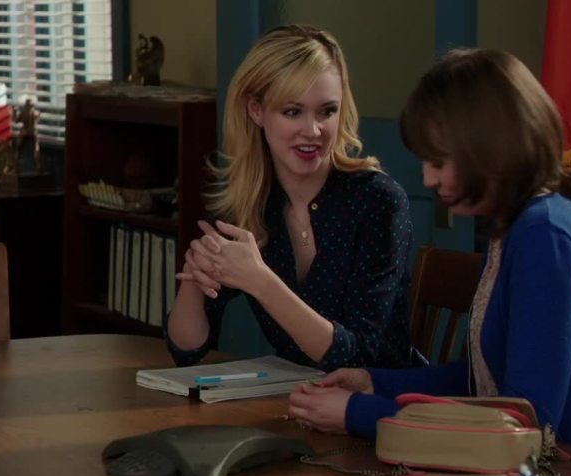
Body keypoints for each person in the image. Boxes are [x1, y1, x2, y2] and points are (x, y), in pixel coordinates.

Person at [287, 48, 571, 466]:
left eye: (439, 161)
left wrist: (359, 414)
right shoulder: (515, 227)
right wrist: (375, 383)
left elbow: (523, 424)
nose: (428, 178)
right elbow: (485, 380)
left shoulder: (546, 235)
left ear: (489, 148)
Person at [166, 25, 415, 372]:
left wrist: (260, 281)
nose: (312, 131)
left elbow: (360, 356)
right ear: (256, 111)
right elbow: (186, 350)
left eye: (327, 111)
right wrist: (196, 276)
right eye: (293, 112)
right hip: (294, 398)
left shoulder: (379, 201)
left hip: (378, 400)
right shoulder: (246, 207)